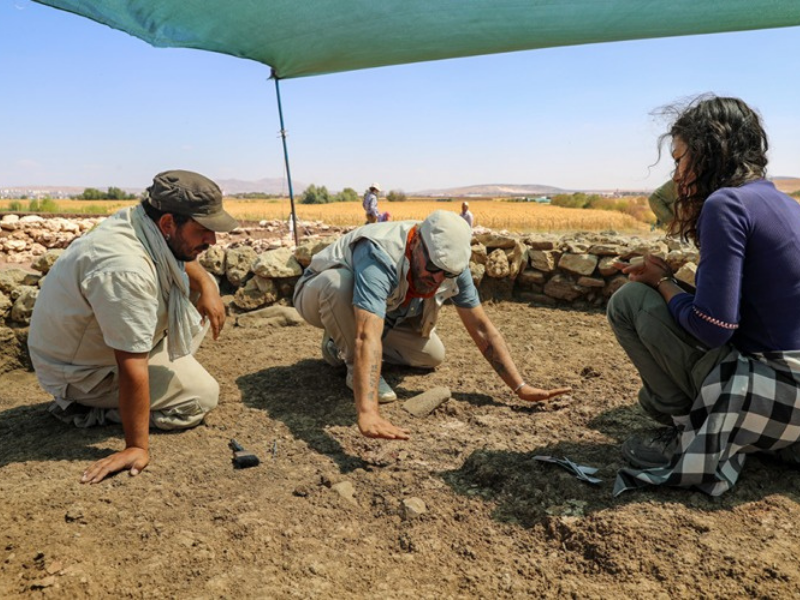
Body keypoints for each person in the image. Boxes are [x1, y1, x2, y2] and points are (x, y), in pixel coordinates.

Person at [608, 95, 800, 496]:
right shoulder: (783, 202)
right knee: (648, 398)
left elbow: (714, 326)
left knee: (628, 302)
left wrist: (661, 283)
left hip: (778, 392)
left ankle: (686, 436)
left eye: (679, 160)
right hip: (791, 391)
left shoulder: (725, 203)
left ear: (711, 151)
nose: (676, 176)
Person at [28, 170, 238, 484]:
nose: (212, 240)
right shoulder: (125, 269)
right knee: (200, 397)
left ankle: (157, 374)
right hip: (82, 372)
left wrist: (207, 285)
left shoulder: (144, 223)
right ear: (168, 223)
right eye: (205, 230)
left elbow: (177, 252)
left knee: (194, 299)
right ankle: (83, 408)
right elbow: (131, 365)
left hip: (104, 349)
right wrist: (137, 446)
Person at [293, 210, 570, 440]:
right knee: (338, 285)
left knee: (431, 355)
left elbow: (482, 328)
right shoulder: (380, 253)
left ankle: (339, 342)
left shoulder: (451, 267)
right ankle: (352, 366)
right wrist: (368, 412)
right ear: (416, 243)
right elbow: (367, 335)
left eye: (446, 274)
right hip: (316, 295)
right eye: (433, 268)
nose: (437, 279)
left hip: (380, 315)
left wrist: (520, 387)